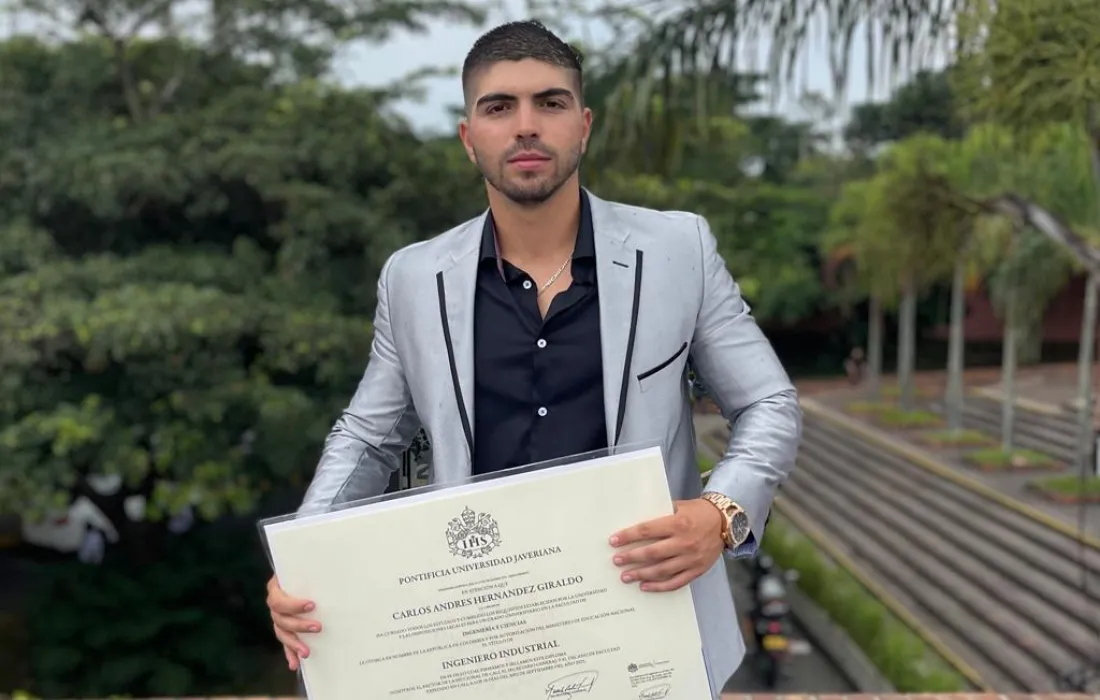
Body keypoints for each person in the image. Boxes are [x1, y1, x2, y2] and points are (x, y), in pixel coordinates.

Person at [265, 19, 801, 698]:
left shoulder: (679, 250)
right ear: (469, 138)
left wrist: (720, 513)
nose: (525, 126)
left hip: (649, 628)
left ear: (583, 126)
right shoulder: (412, 278)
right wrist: (305, 555)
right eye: (499, 107)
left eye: (549, 103)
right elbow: (369, 437)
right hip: (482, 635)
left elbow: (768, 403)